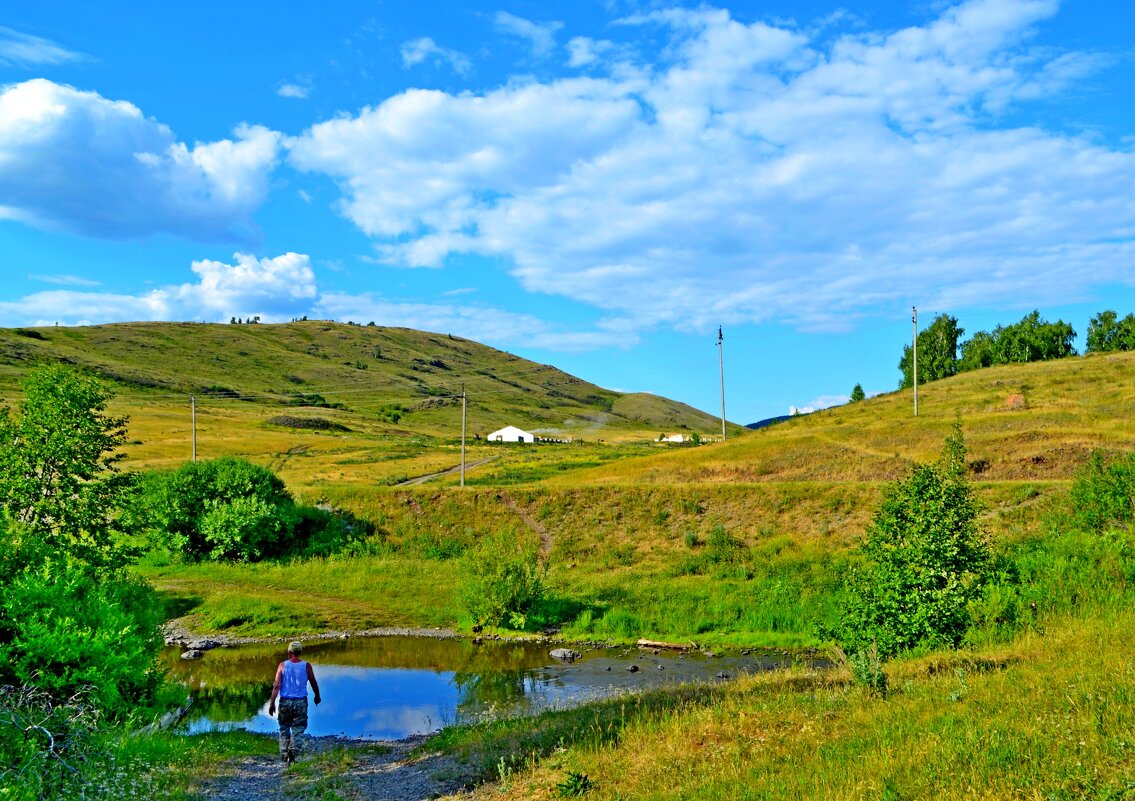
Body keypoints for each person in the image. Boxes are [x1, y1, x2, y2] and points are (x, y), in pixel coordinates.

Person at [268, 641, 321, 764]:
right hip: (300, 702)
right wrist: (317, 696)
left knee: (284, 727)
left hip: (285, 701)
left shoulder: (282, 665)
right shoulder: (306, 666)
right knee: (298, 728)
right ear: (300, 652)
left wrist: (272, 703)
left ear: (289, 652)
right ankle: (294, 751)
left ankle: (284, 753)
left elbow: (276, 686)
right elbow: (313, 682)